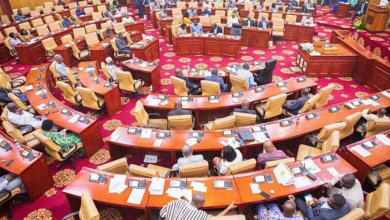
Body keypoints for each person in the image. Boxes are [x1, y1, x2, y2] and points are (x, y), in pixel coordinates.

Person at [159, 193, 237, 219]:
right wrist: (229, 208)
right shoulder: (201, 215)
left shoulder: (178, 202)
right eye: (203, 202)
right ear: (199, 204)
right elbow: (216, 219)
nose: (204, 204)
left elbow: (162, 214)